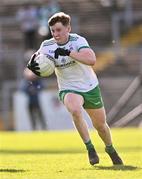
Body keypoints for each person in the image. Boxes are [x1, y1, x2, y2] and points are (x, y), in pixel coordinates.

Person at [27, 12, 123, 165]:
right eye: (53, 31)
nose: (55, 34)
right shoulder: (46, 46)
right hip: (68, 87)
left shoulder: (78, 41)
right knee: (75, 110)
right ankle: (90, 148)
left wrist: (69, 52)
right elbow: (38, 63)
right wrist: (31, 68)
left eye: (58, 30)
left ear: (68, 28)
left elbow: (91, 60)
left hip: (89, 86)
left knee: (101, 126)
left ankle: (110, 149)